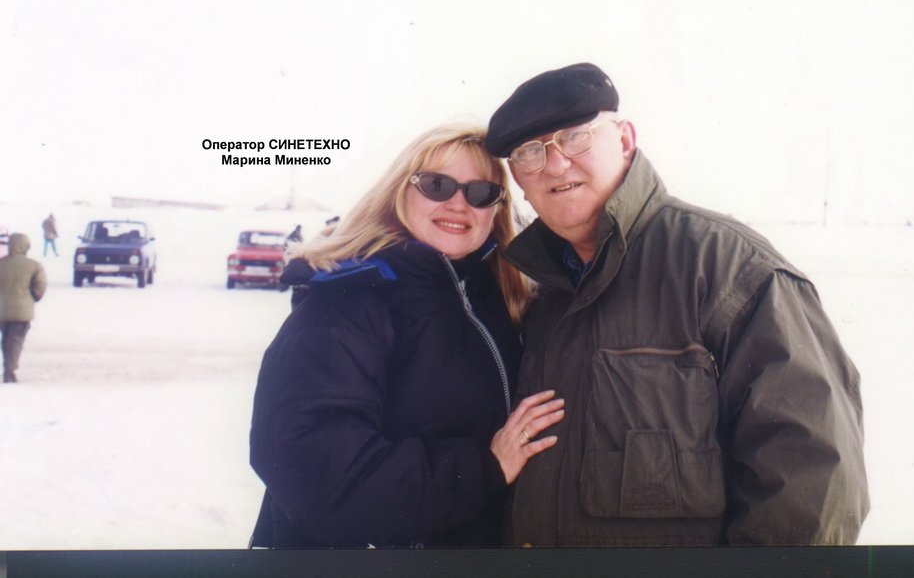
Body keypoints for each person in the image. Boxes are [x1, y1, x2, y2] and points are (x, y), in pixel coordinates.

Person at [484, 62, 870, 546]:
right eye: (530, 153)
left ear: (625, 139)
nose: (556, 165)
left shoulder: (728, 268)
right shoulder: (540, 293)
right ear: (518, 179)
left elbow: (811, 479)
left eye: (576, 138)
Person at [249, 124, 565, 548]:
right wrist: (485, 469)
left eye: (480, 193)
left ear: (496, 208)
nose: (458, 203)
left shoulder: (502, 297)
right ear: (400, 191)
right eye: (437, 185)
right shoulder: (348, 300)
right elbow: (318, 474)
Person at [0, 233, 47, 383]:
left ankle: (8, 367)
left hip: (2, 309)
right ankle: (10, 371)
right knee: (16, 340)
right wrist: (32, 298)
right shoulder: (34, 265)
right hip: (22, 310)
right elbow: (40, 287)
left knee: (6, 339)